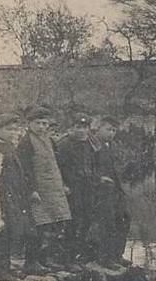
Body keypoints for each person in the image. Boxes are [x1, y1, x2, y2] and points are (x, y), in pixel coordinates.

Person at [17, 106, 73, 271]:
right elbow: (25, 169)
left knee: (54, 224)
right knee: (39, 226)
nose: (42, 127)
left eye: (45, 123)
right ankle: (31, 262)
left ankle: (45, 259)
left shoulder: (49, 140)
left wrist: (62, 184)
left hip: (53, 189)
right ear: (29, 123)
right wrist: (31, 190)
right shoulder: (26, 142)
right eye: (38, 123)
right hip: (38, 191)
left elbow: (55, 164)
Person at [0, 113, 29, 281]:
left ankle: (5, 267)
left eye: (15, 129)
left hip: (13, 194)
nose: (14, 132)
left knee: (11, 230)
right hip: (3, 195)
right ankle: (1, 270)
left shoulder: (9, 148)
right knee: (3, 233)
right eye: (9, 129)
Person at [90, 115, 132, 268]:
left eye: (114, 130)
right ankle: (105, 258)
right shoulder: (92, 145)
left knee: (124, 219)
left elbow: (118, 167)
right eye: (108, 129)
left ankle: (117, 255)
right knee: (106, 224)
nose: (111, 133)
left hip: (116, 191)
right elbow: (87, 167)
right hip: (100, 192)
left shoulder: (111, 145)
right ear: (99, 128)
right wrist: (98, 179)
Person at [56, 113, 98, 264]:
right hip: (71, 189)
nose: (81, 131)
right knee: (72, 223)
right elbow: (57, 168)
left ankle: (80, 255)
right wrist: (63, 185)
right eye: (78, 127)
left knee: (86, 221)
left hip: (87, 188)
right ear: (72, 128)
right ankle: (68, 259)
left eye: (84, 127)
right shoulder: (64, 144)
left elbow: (93, 165)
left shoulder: (89, 144)